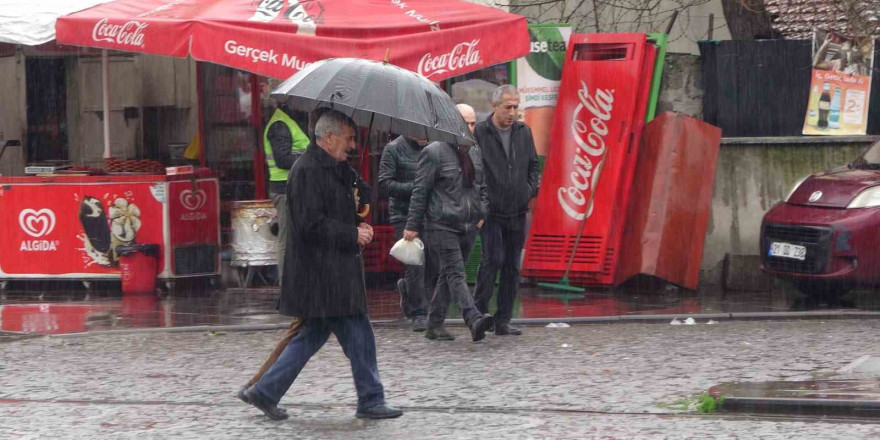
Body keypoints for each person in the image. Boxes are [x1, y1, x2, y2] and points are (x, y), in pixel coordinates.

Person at [242, 110, 402, 421]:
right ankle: (370, 399)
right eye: (348, 138)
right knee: (358, 335)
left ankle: (265, 391)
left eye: (354, 139)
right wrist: (351, 233)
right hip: (323, 275)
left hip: (335, 273)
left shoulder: (338, 167)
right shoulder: (306, 171)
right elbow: (309, 224)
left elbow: (357, 199)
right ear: (328, 138)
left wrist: (361, 213)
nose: (352, 145)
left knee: (312, 337)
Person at [403, 136, 494, 342]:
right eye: (467, 123)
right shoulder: (434, 151)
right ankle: (473, 318)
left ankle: (434, 325)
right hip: (441, 225)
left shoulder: (475, 151)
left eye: (473, 124)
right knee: (455, 272)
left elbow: (483, 187)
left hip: (469, 225)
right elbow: (421, 190)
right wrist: (412, 225)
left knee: (448, 275)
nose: (471, 128)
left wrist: (482, 214)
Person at [473, 85, 540, 336]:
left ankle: (503, 319)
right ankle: (478, 314)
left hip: (517, 210)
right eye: (507, 107)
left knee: (512, 265)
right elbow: (473, 170)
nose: (512, 112)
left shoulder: (524, 132)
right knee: (492, 260)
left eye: (516, 107)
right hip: (491, 212)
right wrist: (483, 201)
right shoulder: (480, 132)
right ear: (495, 107)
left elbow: (534, 166)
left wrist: (528, 190)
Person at [379, 135, 429, 331]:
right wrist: (416, 188)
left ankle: (409, 290)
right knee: (415, 263)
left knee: (432, 261)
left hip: (430, 213)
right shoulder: (393, 149)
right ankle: (419, 312)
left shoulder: (434, 147)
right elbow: (384, 184)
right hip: (404, 214)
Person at [264, 104, 311, 284]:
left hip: (292, 188)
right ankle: (288, 284)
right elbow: (283, 160)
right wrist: (309, 156)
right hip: (284, 190)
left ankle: (296, 281)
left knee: (295, 237)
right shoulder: (280, 125)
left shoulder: (286, 122)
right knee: (287, 239)